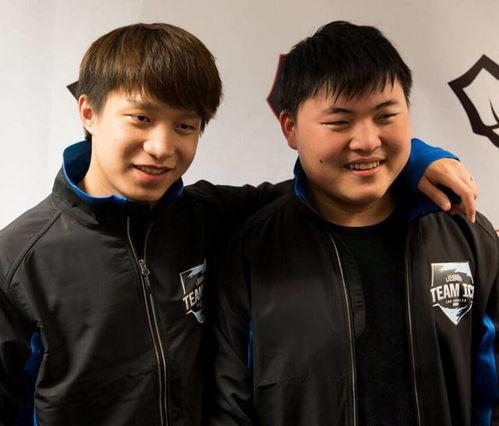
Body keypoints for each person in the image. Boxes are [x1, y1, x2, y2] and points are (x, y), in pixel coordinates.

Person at [0, 22, 478, 426]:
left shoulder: (205, 216)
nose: (161, 147)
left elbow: (325, 185)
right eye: (140, 118)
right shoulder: (19, 260)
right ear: (89, 112)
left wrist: (414, 160)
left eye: (184, 126)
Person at [209, 21, 498, 426]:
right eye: (339, 122)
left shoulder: (465, 232)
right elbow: (229, 409)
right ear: (290, 127)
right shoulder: (250, 252)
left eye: (386, 116)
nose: (366, 141)